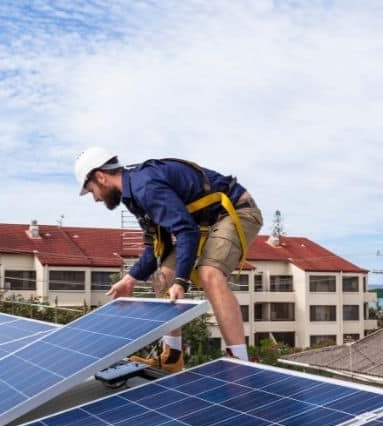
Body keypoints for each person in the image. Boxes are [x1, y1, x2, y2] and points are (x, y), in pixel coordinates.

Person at [74, 147, 262, 372]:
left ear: (101, 177)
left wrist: (181, 280)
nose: (95, 199)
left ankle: (240, 363)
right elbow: (156, 247)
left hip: (236, 211)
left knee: (209, 273)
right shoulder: (133, 194)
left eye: (92, 190)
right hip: (203, 223)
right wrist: (130, 279)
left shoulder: (145, 186)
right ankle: (172, 357)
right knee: (163, 277)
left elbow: (186, 231)